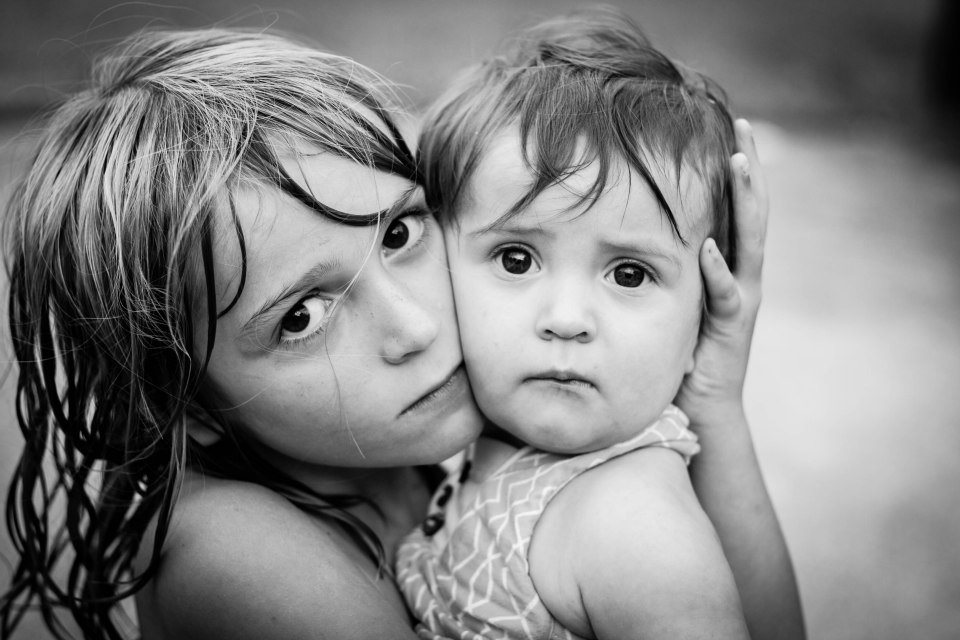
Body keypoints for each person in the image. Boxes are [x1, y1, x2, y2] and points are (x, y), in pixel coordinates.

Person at [0, 25, 800, 640]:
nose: (416, 327)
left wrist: (713, 398)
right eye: (302, 317)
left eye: (399, 236)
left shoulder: (428, 438)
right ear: (192, 402)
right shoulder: (241, 555)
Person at [396, 9, 803, 640]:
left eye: (631, 275)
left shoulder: (630, 527)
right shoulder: (478, 450)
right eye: (516, 258)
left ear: (703, 310)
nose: (565, 320)